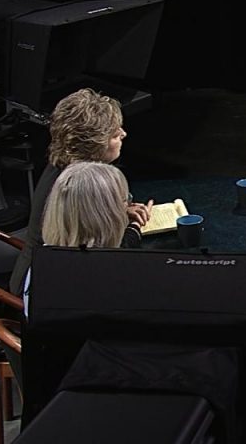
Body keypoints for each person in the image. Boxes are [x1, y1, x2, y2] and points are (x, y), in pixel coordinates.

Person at [8, 88, 152, 296]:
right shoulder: (80, 188)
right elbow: (103, 255)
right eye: (114, 134)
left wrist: (119, 211)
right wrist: (134, 228)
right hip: (45, 289)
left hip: (47, 271)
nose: (123, 134)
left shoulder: (60, 163)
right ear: (94, 145)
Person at [22, 161, 131, 315]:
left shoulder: (42, 261)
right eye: (125, 200)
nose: (126, 208)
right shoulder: (105, 278)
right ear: (105, 216)